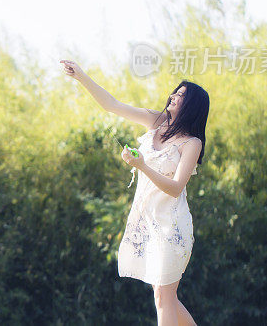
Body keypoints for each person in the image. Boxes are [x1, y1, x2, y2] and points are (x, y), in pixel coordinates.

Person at [60, 59, 209, 326]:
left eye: (181, 95)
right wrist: (81, 76)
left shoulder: (192, 143)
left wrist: (141, 165)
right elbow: (112, 105)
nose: (173, 95)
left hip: (172, 226)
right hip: (148, 222)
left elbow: (175, 188)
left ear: (193, 106)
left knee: (164, 298)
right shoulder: (156, 121)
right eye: (176, 91)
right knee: (165, 297)